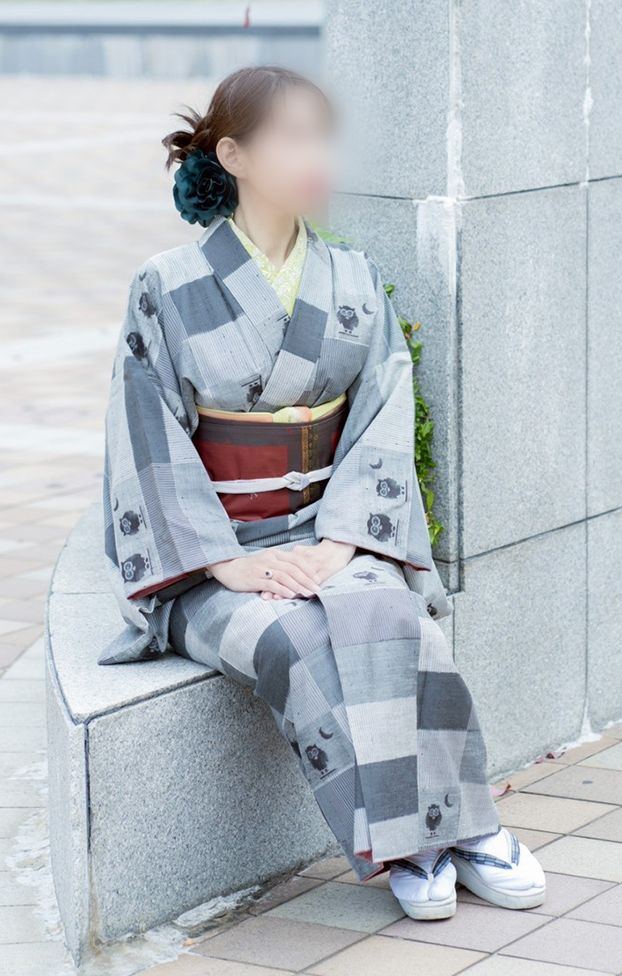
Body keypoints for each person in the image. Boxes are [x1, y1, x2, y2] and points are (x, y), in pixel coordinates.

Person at [101, 66, 545, 920]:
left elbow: (381, 410)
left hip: (329, 533)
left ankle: (467, 827)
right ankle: (417, 842)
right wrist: (225, 565)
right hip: (217, 558)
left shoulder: (352, 276)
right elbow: (145, 436)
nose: (316, 157)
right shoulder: (165, 285)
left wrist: (344, 541)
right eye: (293, 138)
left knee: (397, 620)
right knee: (294, 642)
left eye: (323, 137)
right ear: (233, 155)